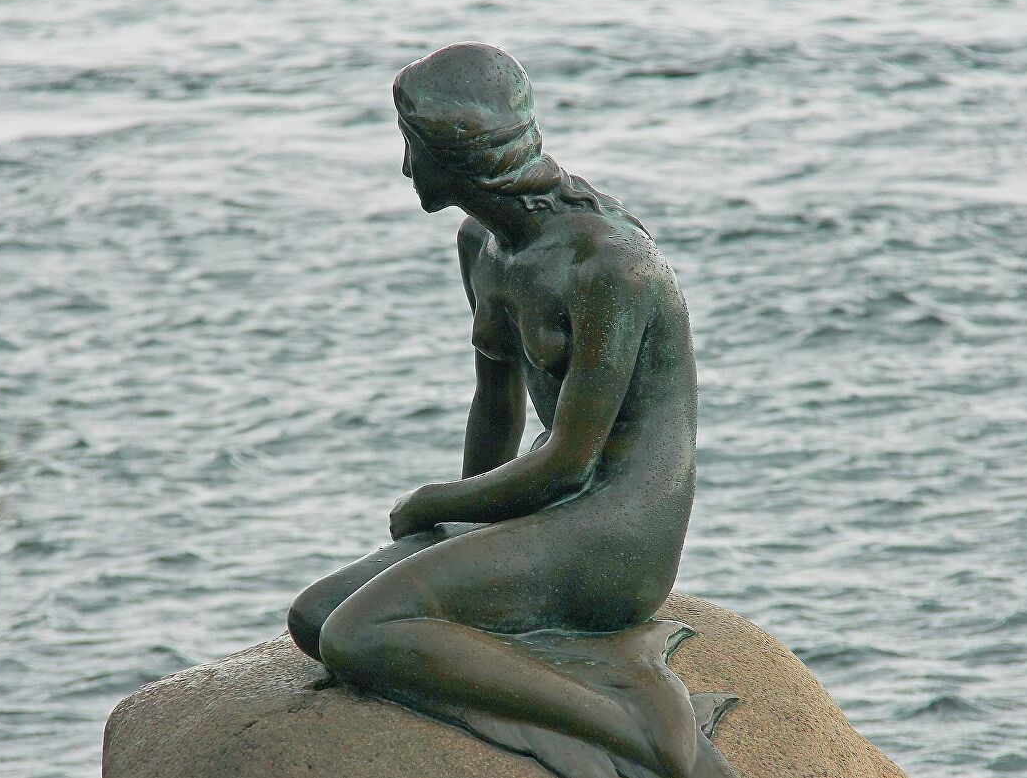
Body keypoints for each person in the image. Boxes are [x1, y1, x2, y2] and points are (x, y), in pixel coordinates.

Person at [287, 43, 731, 778]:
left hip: (617, 531)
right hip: (548, 508)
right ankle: (525, 668)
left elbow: (571, 463)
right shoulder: (481, 245)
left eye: (412, 147)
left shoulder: (609, 264)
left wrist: (435, 502)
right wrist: (457, 529)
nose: (405, 168)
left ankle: (640, 726)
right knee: (314, 618)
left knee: (359, 634)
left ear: (460, 158)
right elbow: (496, 407)